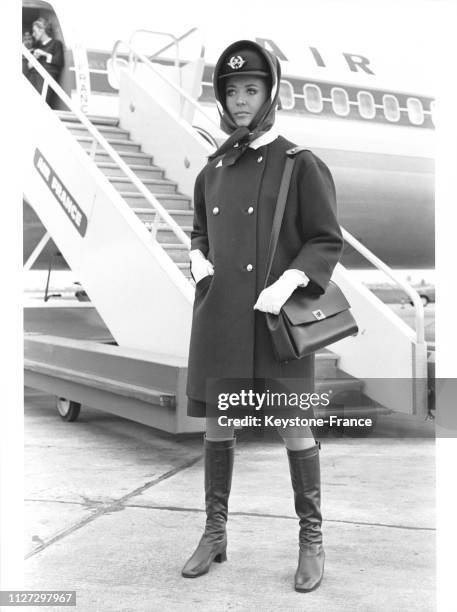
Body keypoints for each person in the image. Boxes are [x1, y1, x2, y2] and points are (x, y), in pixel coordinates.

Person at [182, 40, 344, 593]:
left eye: (251, 89)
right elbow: (202, 229)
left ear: (271, 93)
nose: (241, 99)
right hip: (222, 317)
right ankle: (215, 532)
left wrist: (292, 280)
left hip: (273, 321)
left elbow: (326, 239)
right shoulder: (214, 169)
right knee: (218, 425)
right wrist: (197, 256)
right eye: (232, 91)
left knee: (294, 429)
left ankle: (311, 540)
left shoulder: (300, 163)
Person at [27, 17, 63, 108]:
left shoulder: (56, 44)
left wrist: (45, 54)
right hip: (32, 80)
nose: (33, 34)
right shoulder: (36, 46)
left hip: (43, 81)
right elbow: (28, 66)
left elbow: (59, 61)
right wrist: (34, 57)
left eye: (35, 31)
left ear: (42, 30)